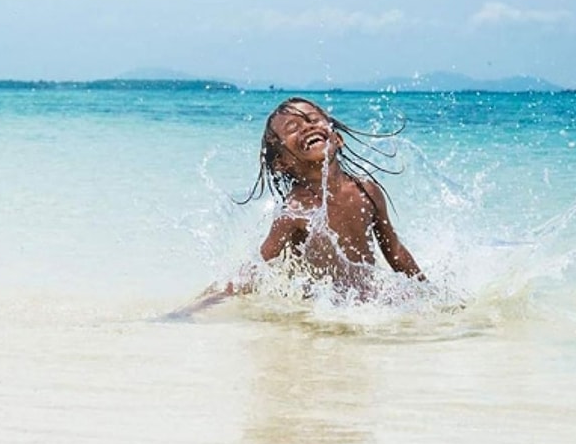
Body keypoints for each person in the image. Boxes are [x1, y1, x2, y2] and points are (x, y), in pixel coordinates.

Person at [165, 97, 423, 319]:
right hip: (322, 310)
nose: (308, 127)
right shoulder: (295, 210)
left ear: (338, 139)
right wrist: (194, 307)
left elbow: (396, 252)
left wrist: (429, 294)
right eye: (293, 127)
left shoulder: (367, 191)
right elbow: (256, 269)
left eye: (313, 120)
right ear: (281, 162)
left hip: (368, 304)